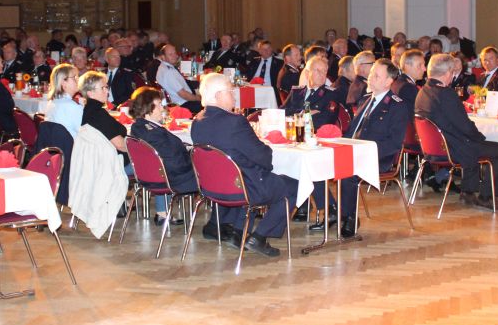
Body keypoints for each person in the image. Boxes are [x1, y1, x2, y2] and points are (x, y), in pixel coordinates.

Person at [190, 73, 298, 256]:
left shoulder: (197, 121)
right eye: (230, 91)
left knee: (249, 172)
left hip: (213, 187)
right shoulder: (235, 122)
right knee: (294, 186)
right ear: (217, 96)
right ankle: (260, 236)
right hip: (243, 187)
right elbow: (263, 156)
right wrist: (266, 155)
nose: (234, 95)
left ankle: (239, 232)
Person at [415, 53, 498, 212]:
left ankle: (467, 192)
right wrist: (480, 137)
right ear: (447, 73)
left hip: (435, 147)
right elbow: (464, 126)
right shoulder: (446, 93)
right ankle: (486, 197)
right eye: (452, 73)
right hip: (451, 148)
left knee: (471, 143)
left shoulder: (423, 91)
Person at [333, 60, 413, 236]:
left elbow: (394, 143)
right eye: (371, 74)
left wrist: (364, 152)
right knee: (323, 164)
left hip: (380, 157)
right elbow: (352, 131)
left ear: (388, 82)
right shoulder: (365, 99)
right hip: (356, 152)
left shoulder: (397, 106)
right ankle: (333, 210)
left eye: (376, 76)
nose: (370, 78)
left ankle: (349, 218)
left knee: (347, 172)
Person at [129, 87, 204, 227]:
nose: (162, 108)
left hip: (150, 175)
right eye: (158, 105)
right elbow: (175, 163)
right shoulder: (155, 134)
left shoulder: (138, 127)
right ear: (148, 108)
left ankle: (163, 214)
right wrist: (194, 160)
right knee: (212, 171)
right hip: (173, 178)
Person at [79, 70, 130, 169]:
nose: (107, 91)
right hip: (114, 165)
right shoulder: (97, 114)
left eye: (107, 87)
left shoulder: (88, 110)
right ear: (90, 93)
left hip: (100, 163)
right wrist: (141, 149)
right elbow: (120, 145)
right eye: (103, 88)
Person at [283, 56, 342, 130]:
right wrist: (304, 113)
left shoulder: (331, 94)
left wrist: (293, 116)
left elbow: (325, 122)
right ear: (307, 74)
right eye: (318, 70)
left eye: (324, 71)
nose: (322, 74)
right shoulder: (296, 92)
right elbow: (281, 112)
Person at [155, 44, 202, 114]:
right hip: (183, 105)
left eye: (175, 53)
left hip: (182, 101)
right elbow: (184, 94)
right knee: (210, 105)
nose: (175, 56)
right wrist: (199, 98)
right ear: (163, 57)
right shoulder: (168, 72)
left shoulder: (163, 67)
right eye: (170, 54)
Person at [43, 63, 83, 137]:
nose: (78, 80)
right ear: (63, 82)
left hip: (55, 146)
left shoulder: (52, 102)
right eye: (74, 77)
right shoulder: (72, 106)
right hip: (71, 147)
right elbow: (84, 133)